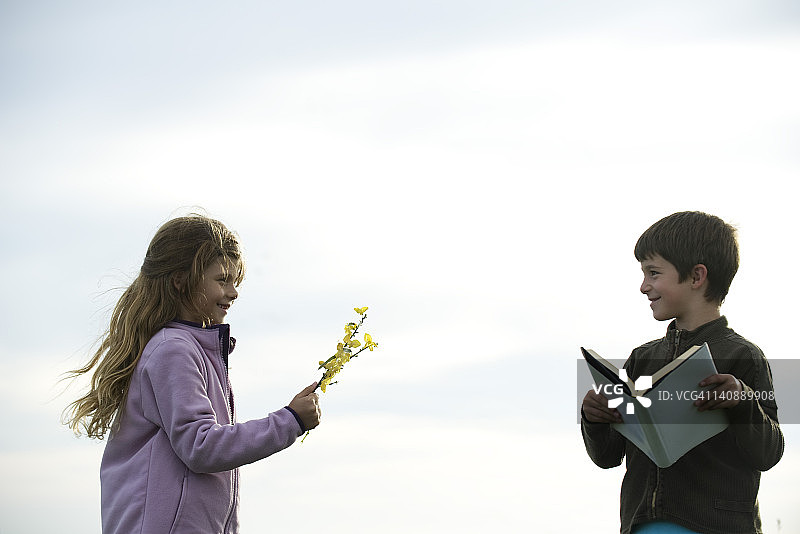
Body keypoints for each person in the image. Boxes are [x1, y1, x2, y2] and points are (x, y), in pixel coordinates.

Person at [64, 213, 321, 534]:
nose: (233, 291)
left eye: (235, 281)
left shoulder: (191, 350)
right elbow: (201, 447)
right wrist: (289, 420)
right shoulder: (173, 350)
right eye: (222, 280)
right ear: (181, 281)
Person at [581, 211, 783, 534]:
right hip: (644, 527)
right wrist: (594, 419)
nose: (644, 286)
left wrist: (743, 401)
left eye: (653, 272)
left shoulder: (744, 357)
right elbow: (607, 456)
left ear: (696, 276)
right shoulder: (641, 359)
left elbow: (770, 452)